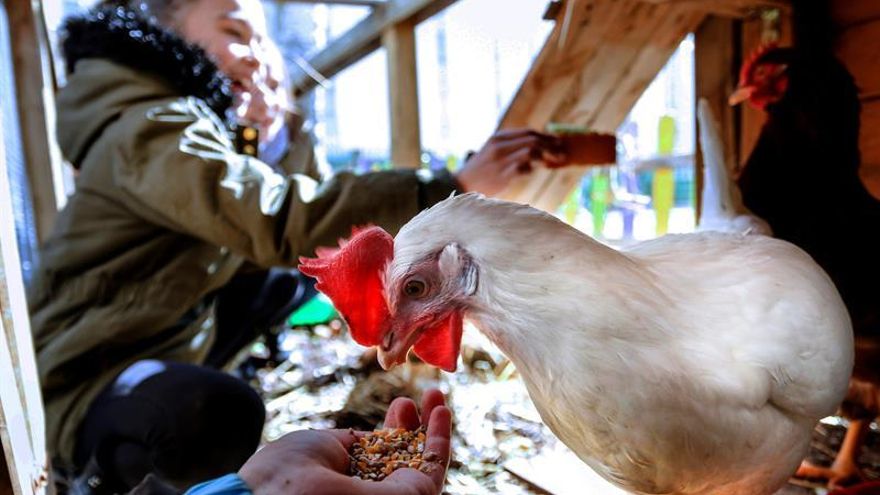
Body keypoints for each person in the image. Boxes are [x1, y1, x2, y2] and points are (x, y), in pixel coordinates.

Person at [30, 0, 564, 492]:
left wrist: (278, 134)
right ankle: (95, 473)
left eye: (264, 43)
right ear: (168, 35)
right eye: (236, 32)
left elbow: (292, 229)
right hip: (83, 376)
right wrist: (448, 186)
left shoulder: (189, 123)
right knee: (215, 412)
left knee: (291, 275)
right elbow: (276, 218)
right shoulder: (149, 126)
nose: (258, 56)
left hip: (153, 339)